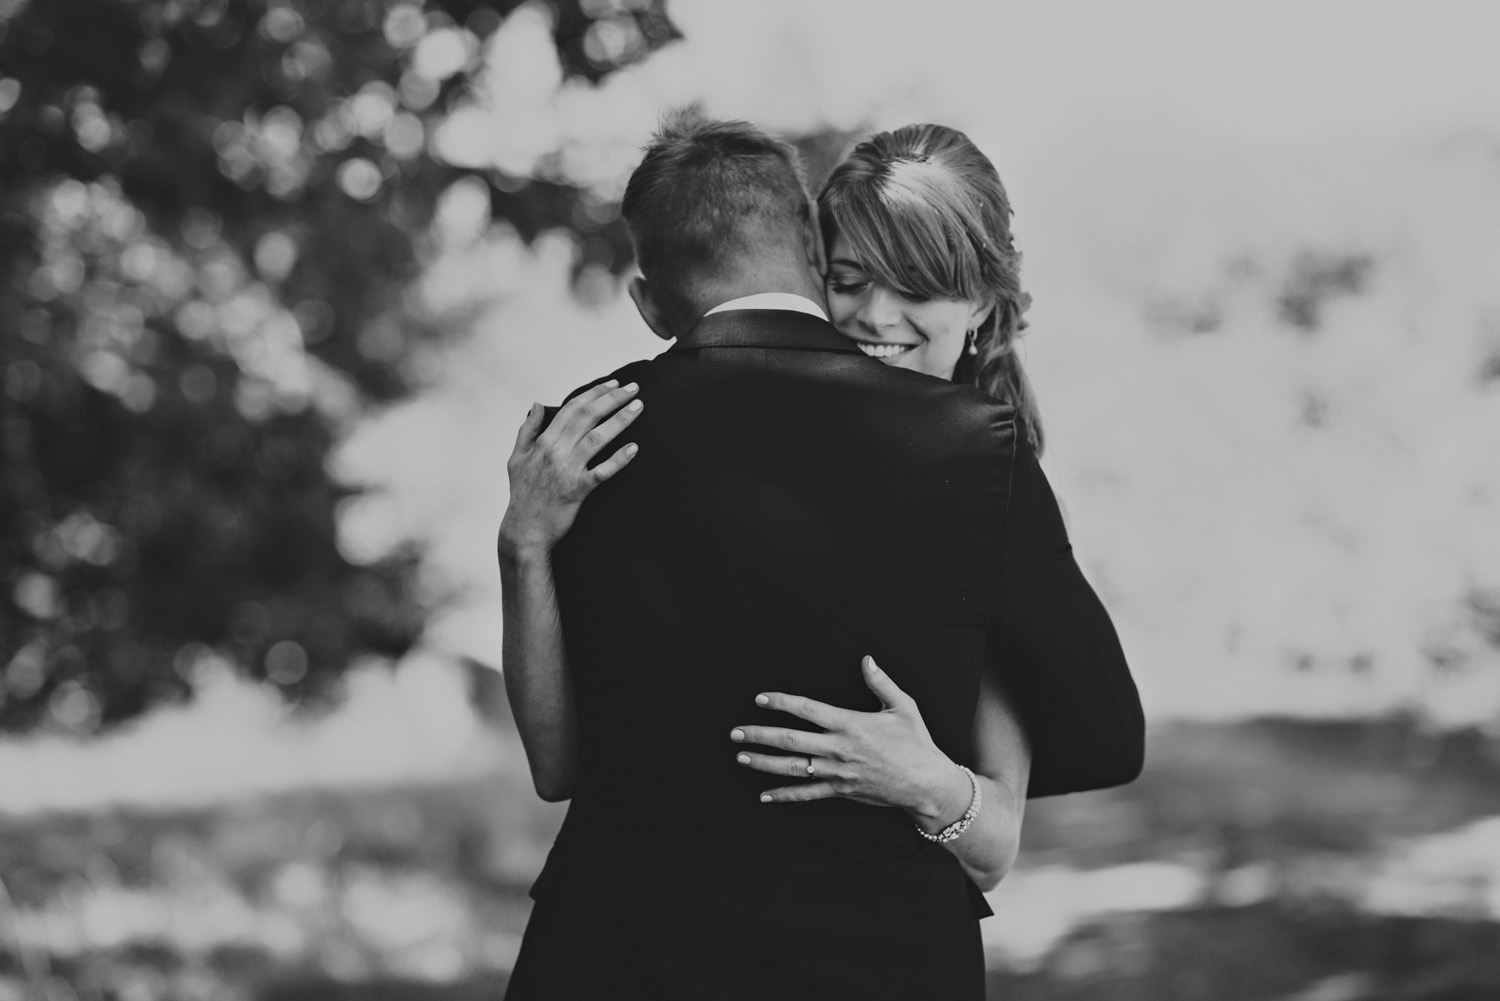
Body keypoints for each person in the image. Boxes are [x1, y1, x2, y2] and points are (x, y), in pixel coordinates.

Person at [498, 112, 1143, 1000]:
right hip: (874, 963)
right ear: (810, 263)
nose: (876, 315)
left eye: (915, 286)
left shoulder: (595, 430)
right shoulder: (977, 455)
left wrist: (928, 781)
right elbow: (1103, 735)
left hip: (617, 955)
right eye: (851, 279)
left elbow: (557, 768)